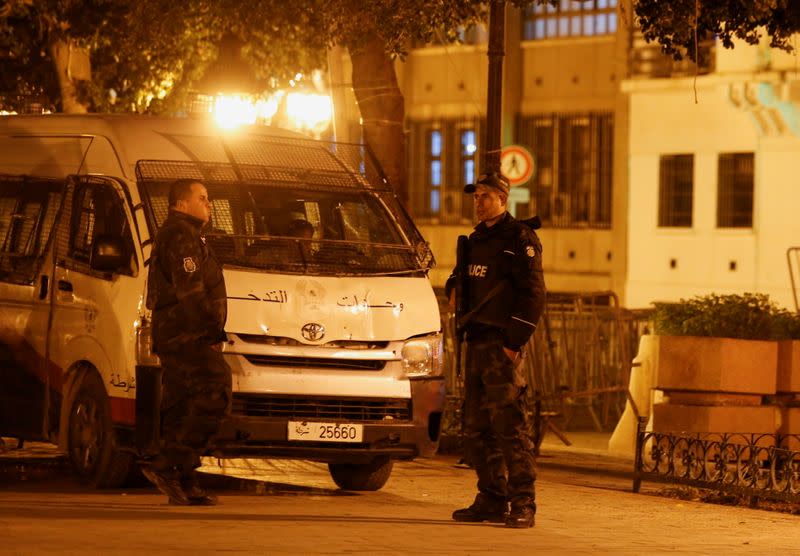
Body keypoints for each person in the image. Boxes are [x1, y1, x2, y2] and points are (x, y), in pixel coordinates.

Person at [445, 172, 546, 529]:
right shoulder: (474, 240)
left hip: (501, 345)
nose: (479, 201)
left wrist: (513, 344)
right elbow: (459, 280)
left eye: (486, 196)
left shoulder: (519, 239)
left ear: (504, 199)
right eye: (476, 196)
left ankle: (523, 501)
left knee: (510, 427)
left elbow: (533, 295)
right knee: (476, 427)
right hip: (475, 342)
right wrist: (452, 288)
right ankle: (491, 497)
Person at [142, 179, 231, 506]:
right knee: (215, 390)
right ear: (180, 204)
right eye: (203, 198)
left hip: (179, 333)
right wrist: (210, 330)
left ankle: (184, 479)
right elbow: (190, 291)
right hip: (186, 334)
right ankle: (168, 464)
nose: (208, 204)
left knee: (181, 403)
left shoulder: (187, 235)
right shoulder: (180, 237)